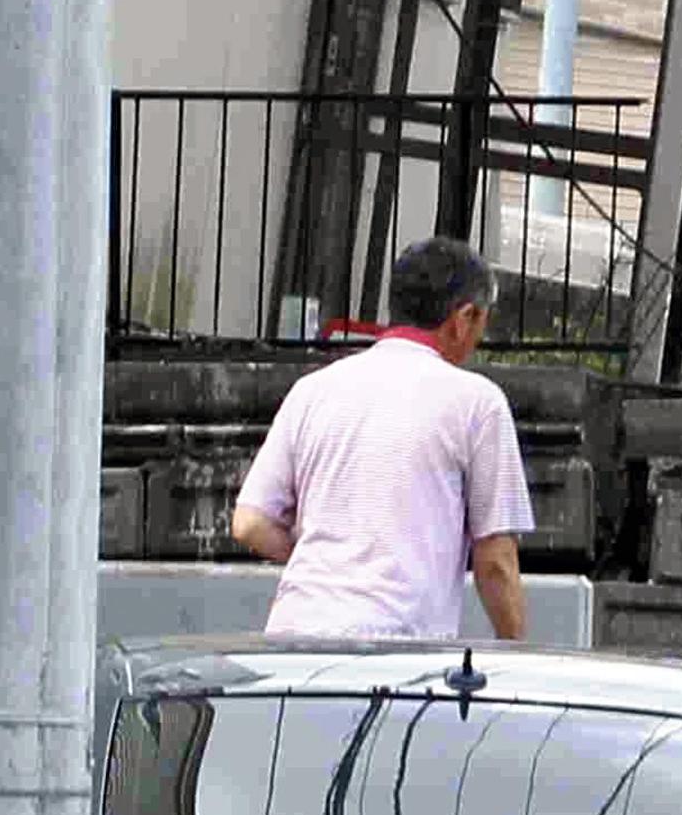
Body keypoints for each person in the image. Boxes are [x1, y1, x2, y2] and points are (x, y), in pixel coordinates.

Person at [228, 238, 536, 642]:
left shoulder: (313, 390)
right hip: (397, 653)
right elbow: (495, 561)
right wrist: (517, 657)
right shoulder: (477, 403)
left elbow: (250, 524)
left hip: (293, 639)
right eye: (481, 322)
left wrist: (332, 565)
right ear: (463, 318)